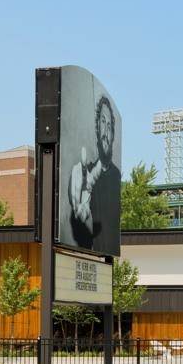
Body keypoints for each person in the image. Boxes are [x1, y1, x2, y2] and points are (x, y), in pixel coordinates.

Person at [67, 96, 120, 252]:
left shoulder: (117, 176)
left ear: (113, 135)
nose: (106, 132)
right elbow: (81, 205)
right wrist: (79, 205)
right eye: (103, 122)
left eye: (109, 126)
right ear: (97, 128)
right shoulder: (86, 174)